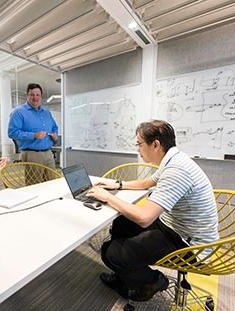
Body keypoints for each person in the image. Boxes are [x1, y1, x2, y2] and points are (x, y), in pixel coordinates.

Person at [87, 120, 219, 302]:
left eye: (139, 144)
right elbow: (148, 182)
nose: (137, 149)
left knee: (111, 252)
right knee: (121, 224)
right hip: (176, 227)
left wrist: (108, 197)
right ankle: (124, 278)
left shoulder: (177, 170)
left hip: (191, 245)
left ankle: (154, 280)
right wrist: (117, 184)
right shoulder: (172, 159)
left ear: (155, 144)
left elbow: (144, 218)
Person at [8, 83, 58, 168]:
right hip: (32, 154)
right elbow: (12, 132)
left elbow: (54, 127)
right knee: (36, 181)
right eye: (32, 95)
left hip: (49, 153)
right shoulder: (19, 112)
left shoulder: (46, 113)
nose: (35, 97)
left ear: (41, 97)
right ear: (27, 96)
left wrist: (55, 136)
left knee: (53, 181)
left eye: (38, 95)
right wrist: (33, 135)